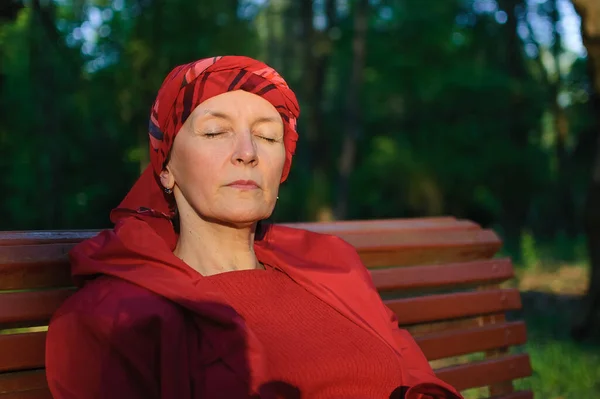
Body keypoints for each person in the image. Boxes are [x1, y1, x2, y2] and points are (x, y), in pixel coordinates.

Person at [45, 55, 463, 399]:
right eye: (215, 132)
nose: (246, 153)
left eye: (266, 137)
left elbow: (419, 378)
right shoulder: (113, 318)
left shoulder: (333, 267)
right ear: (166, 168)